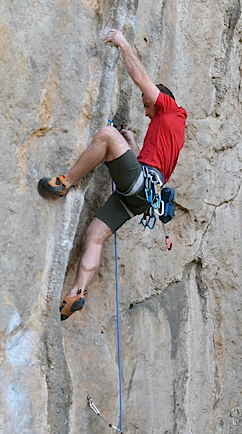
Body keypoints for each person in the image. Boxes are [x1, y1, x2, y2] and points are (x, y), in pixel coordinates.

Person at [37, 29, 187, 320]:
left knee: (106, 135)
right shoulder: (172, 131)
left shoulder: (171, 110)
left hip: (141, 184)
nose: (146, 112)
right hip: (141, 197)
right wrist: (130, 143)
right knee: (94, 236)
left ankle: (65, 182)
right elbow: (150, 163)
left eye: (147, 105)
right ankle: (76, 293)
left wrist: (123, 44)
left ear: (161, 100)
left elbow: (140, 77)